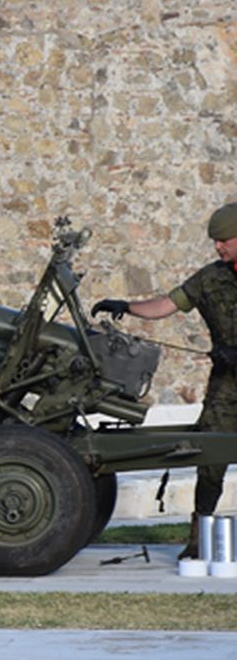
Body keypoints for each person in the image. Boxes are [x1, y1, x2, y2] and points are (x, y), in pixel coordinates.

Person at [92, 202, 237, 558]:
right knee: (209, 460)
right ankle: (199, 540)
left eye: (224, 240)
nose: (218, 246)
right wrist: (126, 306)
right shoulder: (209, 279)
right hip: (227, 388)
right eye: (215, 241)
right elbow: (166, 305)